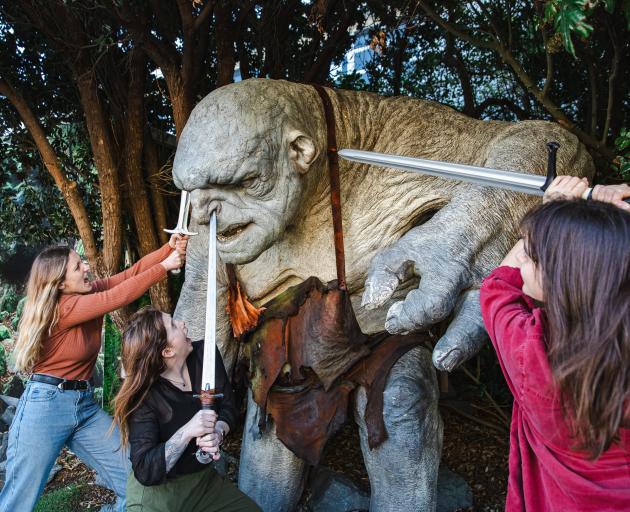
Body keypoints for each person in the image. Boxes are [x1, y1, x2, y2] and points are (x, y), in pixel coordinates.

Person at [0, 236, 187, 512]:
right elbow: (118, 296)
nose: (86, 267)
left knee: (134, 478)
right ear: (61, 284)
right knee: (19, 500)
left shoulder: (86, 295)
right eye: (77, 267)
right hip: (46, 408)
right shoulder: (65, 307)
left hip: (83, 407)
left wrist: (168, 249)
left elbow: (131, 274)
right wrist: (165, 266)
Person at [480, 177, 630, 511]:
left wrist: (554, 206)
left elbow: (498, 287)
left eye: (533, 255)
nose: (525, 265)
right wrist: (610, 223)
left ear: (563, 278)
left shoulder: (530, 352)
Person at [112, 306, 260, 512]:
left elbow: (228, 406)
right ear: (167, 351)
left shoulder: (204, 355)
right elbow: (145, 470)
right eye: (173, 325)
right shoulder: (144, 397)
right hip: (158, 495)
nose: (182, 323)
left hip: (203, 483)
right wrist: (188, 431)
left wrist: (218, 431)